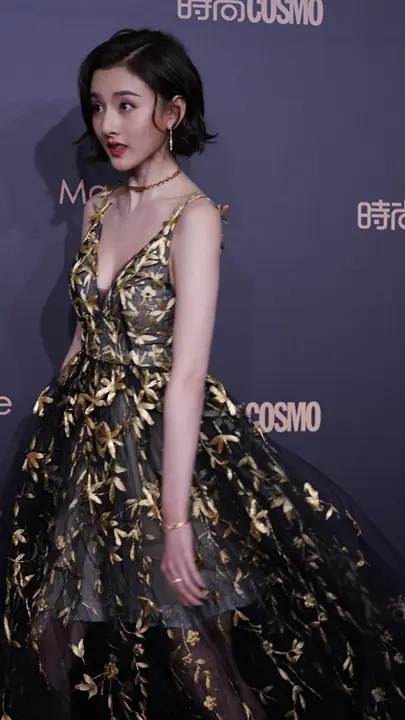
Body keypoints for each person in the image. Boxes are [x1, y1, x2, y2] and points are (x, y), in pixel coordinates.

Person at [2, 27, 405, 720]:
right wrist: (51, 434)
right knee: (48, 638)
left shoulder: (193, 219)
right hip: (77, 450)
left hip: (156, 452)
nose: (107, 125)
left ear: (173, 111)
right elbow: (84, 335)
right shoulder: (97, 207)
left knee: (194, 653)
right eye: (96, 106)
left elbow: (187, 376)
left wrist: (175, 520)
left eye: (126, 105)